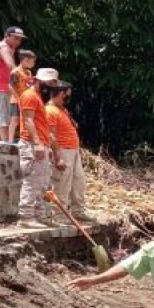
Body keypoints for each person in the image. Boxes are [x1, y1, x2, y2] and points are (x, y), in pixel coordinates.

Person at [17, 67, 61, 228]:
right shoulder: (29, 96)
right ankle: (26, 217)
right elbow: (28, 120)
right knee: (32, 181)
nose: (49, 86)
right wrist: (36, 143)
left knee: (42, 182)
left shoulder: (36, 97)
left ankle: (39, 215)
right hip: (31, 143)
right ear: (38, 80)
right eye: (48, 83)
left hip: (40, 143)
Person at [45, 81, 90, 221]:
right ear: (60, 94)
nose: (68, 98)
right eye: (67, 95)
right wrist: (58, 157)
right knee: (62, 183)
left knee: (78, 181)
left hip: (73, 151)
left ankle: (78, 211)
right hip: (63, 151)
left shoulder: (62, 109)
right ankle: (59, 215)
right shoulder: (50, 110)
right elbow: (51, 135)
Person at [0, 26, 26, 141]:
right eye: (15, 38)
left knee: (0, 115)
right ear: (6, 36)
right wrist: (23, 78)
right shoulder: (3, 47)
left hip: (3, 86)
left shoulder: (10, 48)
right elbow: (10, 65)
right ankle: (6, 144)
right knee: (2, 116)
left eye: (20, 39)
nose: (18, 41)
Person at [7, 50, 37, 144]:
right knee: (15, 119)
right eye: (33, 61)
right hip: (16, 100)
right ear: (25, 60)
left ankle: (25, 139)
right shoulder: (16, 72)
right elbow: (10, 86)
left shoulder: (28, 72)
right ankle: (10, 141)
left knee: (26, 120)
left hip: (26, 100)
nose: (34, 63)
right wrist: (18, 98)